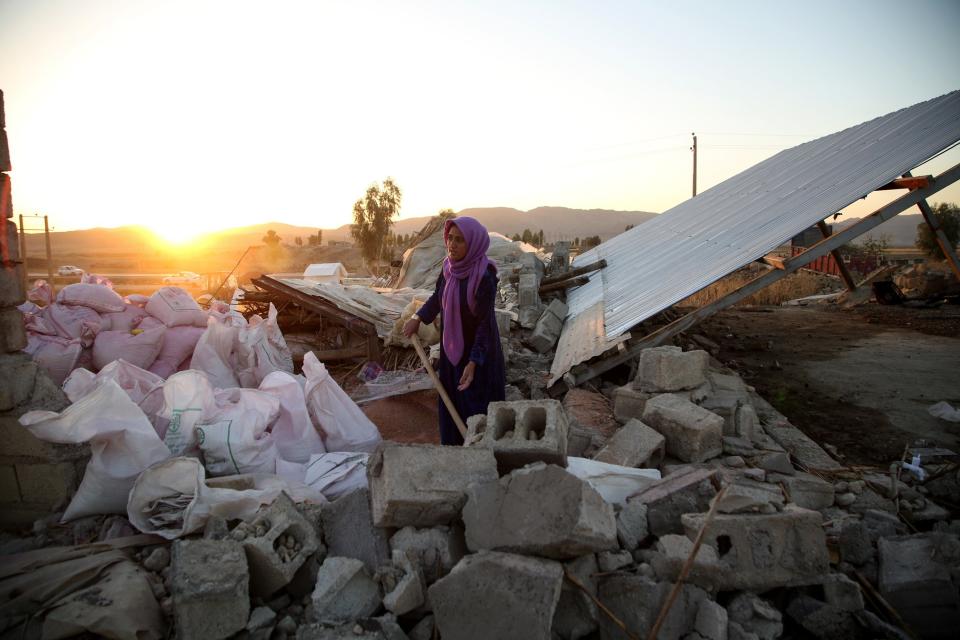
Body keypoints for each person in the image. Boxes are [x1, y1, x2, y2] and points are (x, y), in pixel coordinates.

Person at [402, 217, 506, 445]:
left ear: (473, 244)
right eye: (450, 238)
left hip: (479, 355)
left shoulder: (484, 276)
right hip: (452, 353)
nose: (452, 244)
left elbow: (484, 325)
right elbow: (438, 297)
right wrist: (417, 318)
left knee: (475, 408)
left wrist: (473, 362)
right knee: (451, 405)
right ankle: (454, 455)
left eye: (460, 240)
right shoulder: (448, 268)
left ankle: (480, 457)